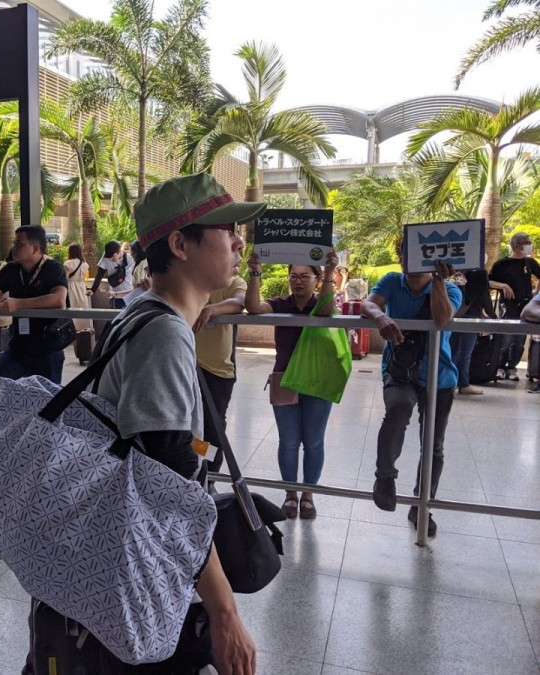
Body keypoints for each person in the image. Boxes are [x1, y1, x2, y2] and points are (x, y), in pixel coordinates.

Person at [72, 172, 264, 674]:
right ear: (180, 244)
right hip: (142, 571)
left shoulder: (142, 313)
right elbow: (169, 487)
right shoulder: (163, 334)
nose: (238, 241)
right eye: (226, 231)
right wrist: (226, 614)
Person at [361, 243, 461, 537]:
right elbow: (369, 303)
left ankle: (422, 503)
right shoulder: (393, 281)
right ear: (400, 257)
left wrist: (439, 282)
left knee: (434, 443)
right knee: (398, 408)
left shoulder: (449, 288)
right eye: (406, 255)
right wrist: (381, 317)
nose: (410, 261)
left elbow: (443, 319)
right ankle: (385, 478)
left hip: (439, 376)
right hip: (399, 371)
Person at [244, 254, 339, 519]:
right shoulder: (280, 304)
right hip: (284, 379)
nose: (298, 281)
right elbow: (252, 307)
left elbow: (325, 310)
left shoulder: (320, 302)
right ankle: (290, 493)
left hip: (317, 380)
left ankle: (307, 494)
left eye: (305, 276)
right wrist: (255, 272)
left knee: (313, 441)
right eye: (293, 276)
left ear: (316, 280)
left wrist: (330, 273)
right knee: (288, 442)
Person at [0, 225, 67, 400]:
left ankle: (41, 427)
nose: (14, 248)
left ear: (36, 248)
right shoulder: (11, 270)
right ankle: (13, 423)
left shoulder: (53, 268)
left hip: (48, 345)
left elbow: (58, 299)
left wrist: (18, 304)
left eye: (19, 244)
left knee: (48, 398)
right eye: (14, 243)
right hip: (19, 344)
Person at [192, 269, 248, 474]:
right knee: (189, 429)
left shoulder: (235, 282)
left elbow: (240, 301)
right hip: (187, 367)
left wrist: (210, 310)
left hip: (218, 372)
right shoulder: (193, 278)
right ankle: (196, 471)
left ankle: (211, 475)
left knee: (214, 430)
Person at [489, 232, 540, 381]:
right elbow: (488, 281)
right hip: (507, 306)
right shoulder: (501, 264)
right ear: (517, 245)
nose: (529, 245)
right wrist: (502, 285)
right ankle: (499, 367)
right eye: (527, 242)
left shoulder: (530, 263)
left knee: (519, 340)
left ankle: (512, 367)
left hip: (525, 307)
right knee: (505, 338)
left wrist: (536, 293)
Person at [450, 268, 496, 395]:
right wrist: (492, 316)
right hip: (471, 315)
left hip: (454, 314)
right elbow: (483, 295)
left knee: (452, 350)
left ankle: (448, 383)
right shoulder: (479, 272)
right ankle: (463, 384)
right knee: (465, 352)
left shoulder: (457, 270)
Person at [90, 240, 134, 309]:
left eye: (112, 257)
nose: (110, 259)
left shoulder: (130, 258)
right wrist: (92, 290)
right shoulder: (106, 258)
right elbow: (99, 275)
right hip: (115, 295)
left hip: (128, 293)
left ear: (118, 252)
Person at [62, 243, 92, 331]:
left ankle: (73, 331)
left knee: (72, 309)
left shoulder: (68, 264)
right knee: (82, 310)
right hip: (82, 288)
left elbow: (64, 279)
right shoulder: (85, 264)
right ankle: (83, 331)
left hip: (71, 288)